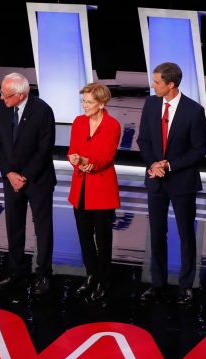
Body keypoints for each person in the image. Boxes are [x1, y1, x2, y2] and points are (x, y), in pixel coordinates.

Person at [136, 62, 206, 304]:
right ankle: (157, 283)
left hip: (182, 182)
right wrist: (153, 164)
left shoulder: (194, 111)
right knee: (157, 233)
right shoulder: (151, 104)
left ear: (171, 85)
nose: (152, 85)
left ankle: (186, 285)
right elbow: (143, 140)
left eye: (156, 82)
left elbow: (198, 151)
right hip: (156, 181)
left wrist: (169, 165)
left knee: (186, 234)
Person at [0, 73, 56, 295]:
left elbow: (45, 149)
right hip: (11, 179)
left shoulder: (43, 110)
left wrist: (24, 176)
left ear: (21, 95)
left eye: (6, 95)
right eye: (1, 93)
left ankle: (43, 275)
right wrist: (9, 173)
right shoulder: (1, 107)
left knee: (43, 229)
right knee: (14, 226)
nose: (2, 98)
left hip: (37, 179)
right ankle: (16, 272)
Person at [67, 83, 121, 303]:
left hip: (102, 189)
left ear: (101, 103)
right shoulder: (79, 122)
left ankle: (103, 280)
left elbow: (107, 157)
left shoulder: (112, 125)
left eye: (89, 102)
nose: (85, 106)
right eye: (83, 101)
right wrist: (74, 159)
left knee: (103, 239)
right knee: (84, 236)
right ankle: (91, 275)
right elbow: (73, 150)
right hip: (81, 187)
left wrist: (89, 163)